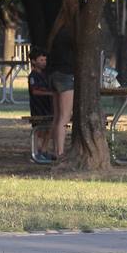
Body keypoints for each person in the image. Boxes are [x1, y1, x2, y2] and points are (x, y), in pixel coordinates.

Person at [44, 20, 75, 163]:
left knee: (57, 116)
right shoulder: (71, 33)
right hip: (66, 74)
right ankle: (60, 152)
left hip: (53, 74)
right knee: (65, 116)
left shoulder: (55, 33)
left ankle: (56, 149)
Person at [26, 48, 57, 164]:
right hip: (38, 108)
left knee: (49, 129)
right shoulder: (33, 76)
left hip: (47, 107)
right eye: (41, 60)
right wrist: (50, 93)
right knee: (38, 131)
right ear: (34, 61)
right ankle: (36, 153)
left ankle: (43, 151)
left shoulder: (45, 75)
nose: (44, 62)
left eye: (45, 60)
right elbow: (35, 91)